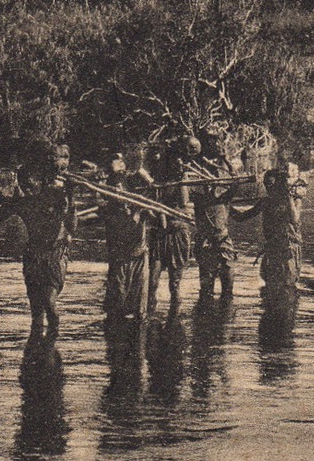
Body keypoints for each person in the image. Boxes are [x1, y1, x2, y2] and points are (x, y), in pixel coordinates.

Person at [2, 142, 76, 338]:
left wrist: (71, 198)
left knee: (50, 304)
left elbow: (71, 225)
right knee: (36, 312)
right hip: (33, 257)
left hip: (54, 256)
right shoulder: (27, 203)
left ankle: (52, 344)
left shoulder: (61, 200)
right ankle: (36, 355)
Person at [235, 163, 308, 334]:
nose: (269, 189)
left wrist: (288, 196)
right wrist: (224, 205)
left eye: (272, 185)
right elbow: (242, 216)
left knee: (288, 287)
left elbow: (295, 220)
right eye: (266, 185)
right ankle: (270, 327)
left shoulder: (293, 199)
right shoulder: (266, 202)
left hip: (288, 249)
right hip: (273, 250)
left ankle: (285, 327)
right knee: (270, 287)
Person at [93, 152, 154, 330]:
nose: (119, 187)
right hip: (119, 258)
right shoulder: (107, 206)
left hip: (139, 256)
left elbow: (152, 186)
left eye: (121, 182)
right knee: (117, 304)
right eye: (115, 183)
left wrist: (138, 209)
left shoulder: (139, 200)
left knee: (139, 309)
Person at [147, 135, 198, 317]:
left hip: (177, 231)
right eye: (174, 159)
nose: (177, 162)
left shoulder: (182, 178)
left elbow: (184, 205)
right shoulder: (160, 176)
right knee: (152, 279)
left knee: (174, 283)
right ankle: (149, 314)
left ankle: (174, 320)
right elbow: (154, 204)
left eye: (180, 160)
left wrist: (181, 178)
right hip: (161, 233)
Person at [191, 144, 241, 304]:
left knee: (228, 290)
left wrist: (226, 160)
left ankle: (224, 318)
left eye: (213, 182)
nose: (209, 186)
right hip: (205, 243)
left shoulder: (223, 197)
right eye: (206, 183)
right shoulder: (198, 198)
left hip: (222, 241)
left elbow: (236, 181)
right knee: (206, 291)